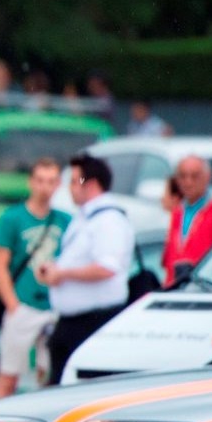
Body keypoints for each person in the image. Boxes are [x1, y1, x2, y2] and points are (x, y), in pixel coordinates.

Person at [38, 153, 134, 385]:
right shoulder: (85, 218)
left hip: (93, 321)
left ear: (90, 184)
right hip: (72, 321)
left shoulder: (108, 220)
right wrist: (56, 270)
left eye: (75, 181)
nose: (71, 187)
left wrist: (62, 274)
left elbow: (107, 267)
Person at [0, 158, 69, 399]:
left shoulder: (65, 221)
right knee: (8, 375)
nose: (45, 187)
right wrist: (13, 305)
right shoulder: (13, 218)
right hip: (23, 304)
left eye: (52, 181)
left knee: (50, 376)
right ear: (31, 183)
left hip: (53, 306)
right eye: (41, 181)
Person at [162, 156, 212, 282]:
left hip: (206, 287)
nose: (188, 182)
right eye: (182, 176)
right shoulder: (178, 211)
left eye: (195, 176)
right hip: (178, 288)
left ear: (208, 176)